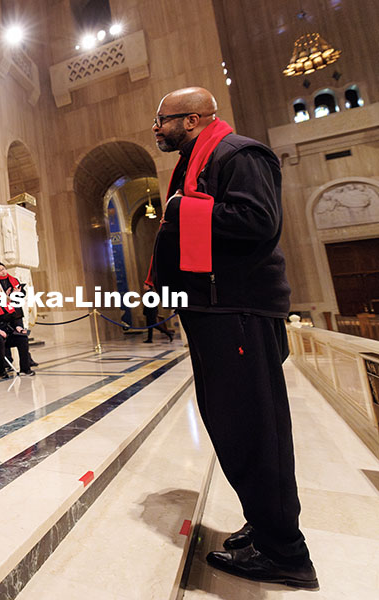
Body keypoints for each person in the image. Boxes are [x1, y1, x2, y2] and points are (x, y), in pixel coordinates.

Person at [148, 86, 317, 589]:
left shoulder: (238, 154)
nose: (157, 128)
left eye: (163, 121)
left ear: (194, 119)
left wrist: (179, 210)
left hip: (237, 309)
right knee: (233, 424)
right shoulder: (203, 159)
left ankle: (284, 551)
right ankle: (265, 526)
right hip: (218, 310)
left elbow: (259, 222)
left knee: (253, 428)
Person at [0, 279, 34, 378]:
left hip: (7, 332)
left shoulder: (7, 301)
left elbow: (15, 317)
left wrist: (18, 327)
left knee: (22, 338)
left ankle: (25, 369)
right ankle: (1, 371)